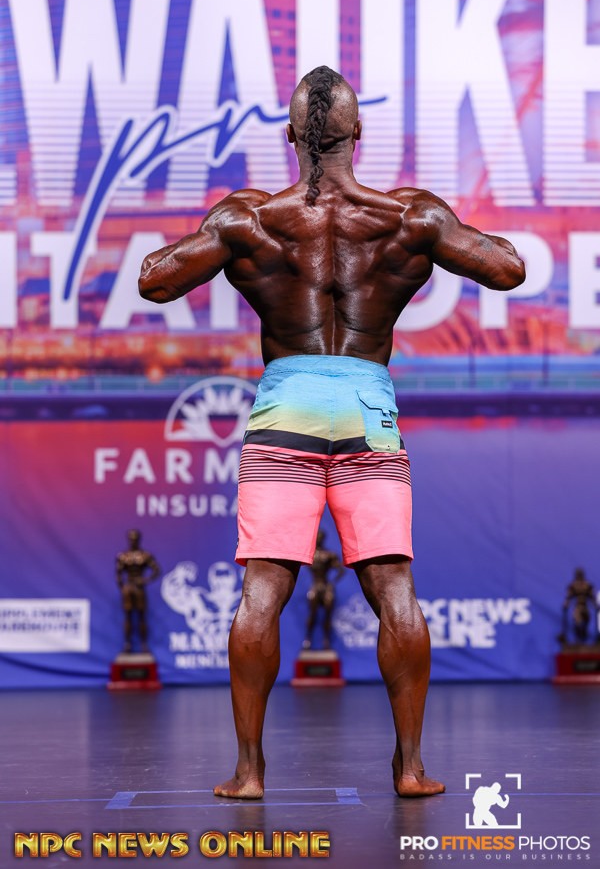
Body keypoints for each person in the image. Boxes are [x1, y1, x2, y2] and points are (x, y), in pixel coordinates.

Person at [139, 66, 525, 798]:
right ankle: (410, 768)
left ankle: (249, 773)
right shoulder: (408, 216)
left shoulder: (251, 219)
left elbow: (154, 281)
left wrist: (223, 235)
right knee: (394, 587)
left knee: (262, 591)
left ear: (290, 136)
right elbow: (507, 269)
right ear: (358, 133)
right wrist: (437, 228)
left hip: (286, 406)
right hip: (366, 407)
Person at [116, 529, 160, 652]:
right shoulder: (123, 556)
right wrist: (122, 587)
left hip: (139, 588)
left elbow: (156, 570)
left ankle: (144, 644)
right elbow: (118, 574)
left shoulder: (145, 556)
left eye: (135, 539)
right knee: (128, 617)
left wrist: (145, 580)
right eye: (131, 539)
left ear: (139, 540)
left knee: (142, 617)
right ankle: (127, 644)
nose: (133, 541)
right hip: (129, 588)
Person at [302, 528, 345, 651]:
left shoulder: (329, 555)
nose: (319, 539)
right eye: (317, 537)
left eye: (321, 537)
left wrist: (332, 583)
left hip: (326, 586)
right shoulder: (310, 555)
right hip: (315, 586)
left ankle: (326, 640)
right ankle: (308, 639)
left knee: (328, 615)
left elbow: (341, 571)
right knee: (312, 614)